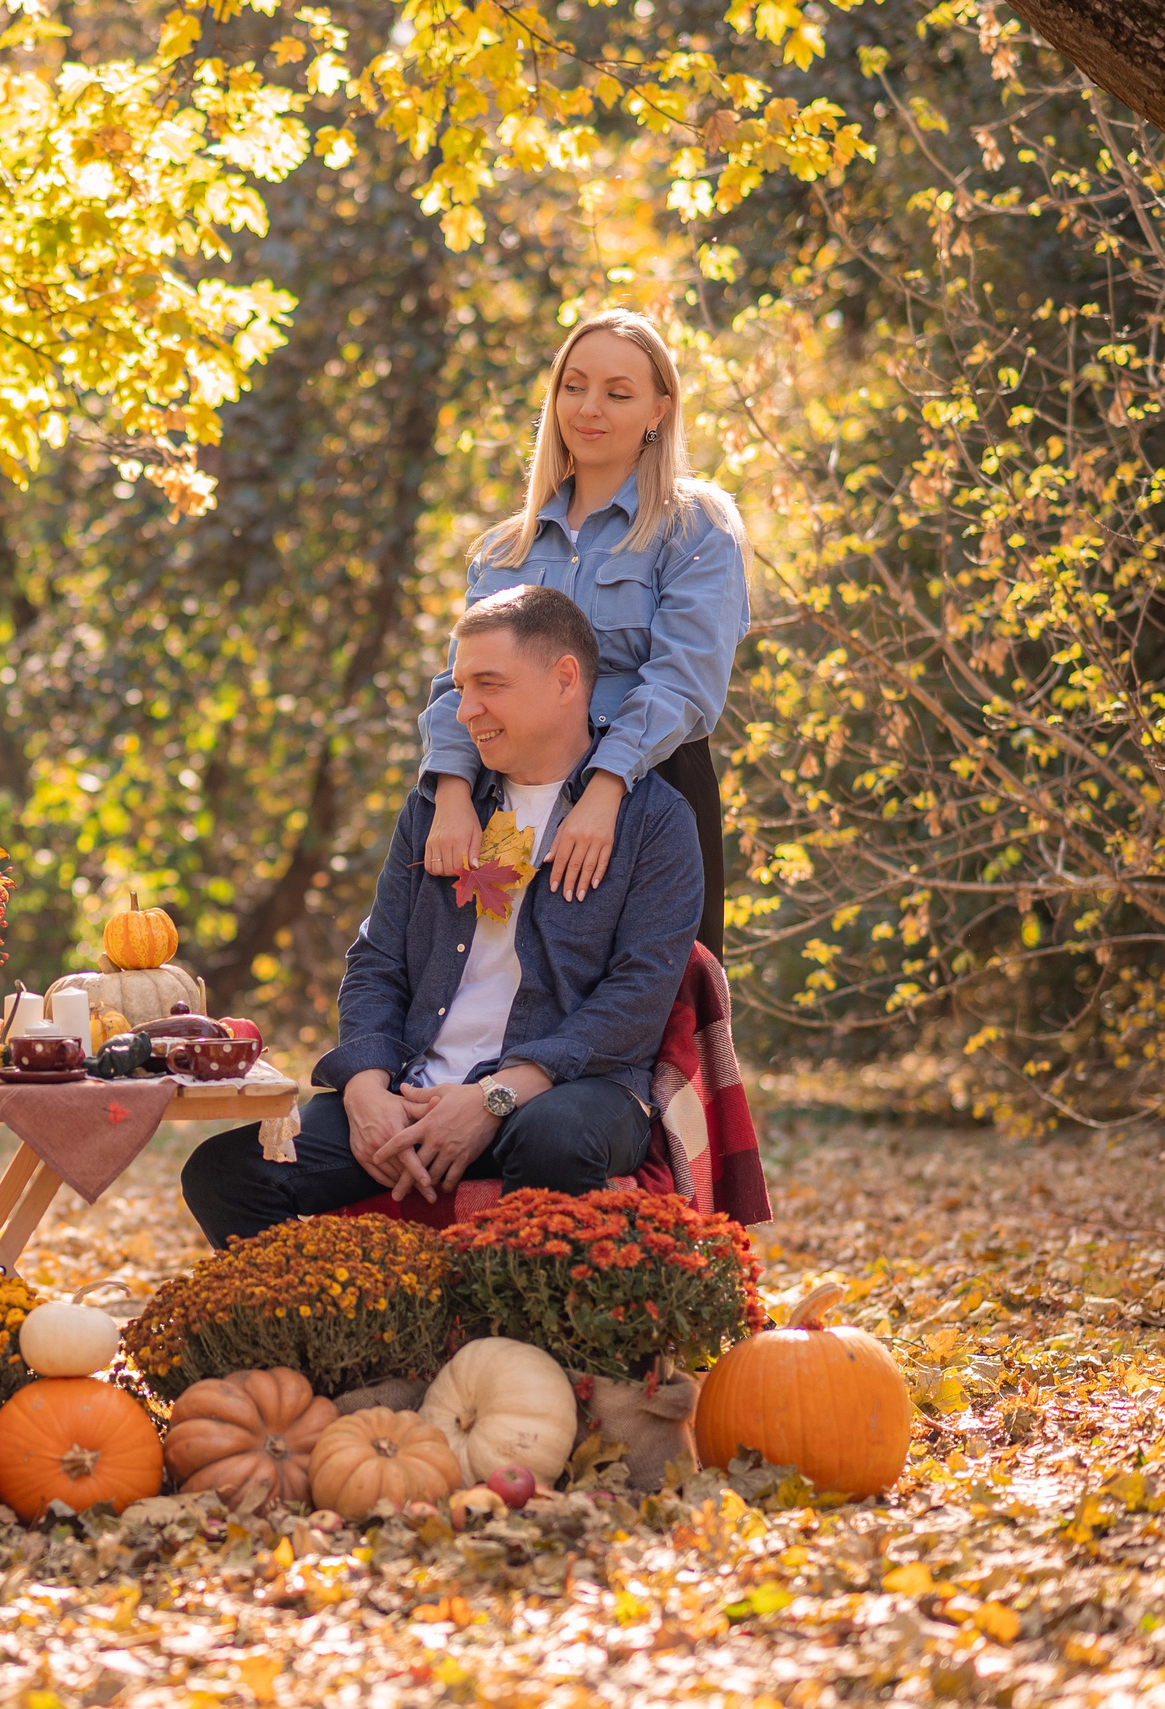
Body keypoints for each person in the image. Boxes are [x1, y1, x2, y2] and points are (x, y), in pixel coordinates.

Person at [179, 586, 704, 1245]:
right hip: (414, 1087)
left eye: (489, 684)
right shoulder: (438, 810)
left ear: (565, 678)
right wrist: (367, 1089)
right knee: (224, 1171)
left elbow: (638, 995)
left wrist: (494, 1097)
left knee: (557, 1140)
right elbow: (377, 960)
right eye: (460, 687)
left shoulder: (651, 822)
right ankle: (356, 1329)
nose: (465, 710)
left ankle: (522, 1346)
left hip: (564, 1091)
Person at [420, 309, 747, 957]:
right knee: (496, 995)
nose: (589, 407)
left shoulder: (695, 526)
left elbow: (684, 680)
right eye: (574, 386)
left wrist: (604, 789)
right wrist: (452, 791)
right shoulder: (504, 551)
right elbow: (463, 684)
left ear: (659, 409)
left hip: (651, 795)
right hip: (511, 799)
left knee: (641, 1020)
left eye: (617, 393)